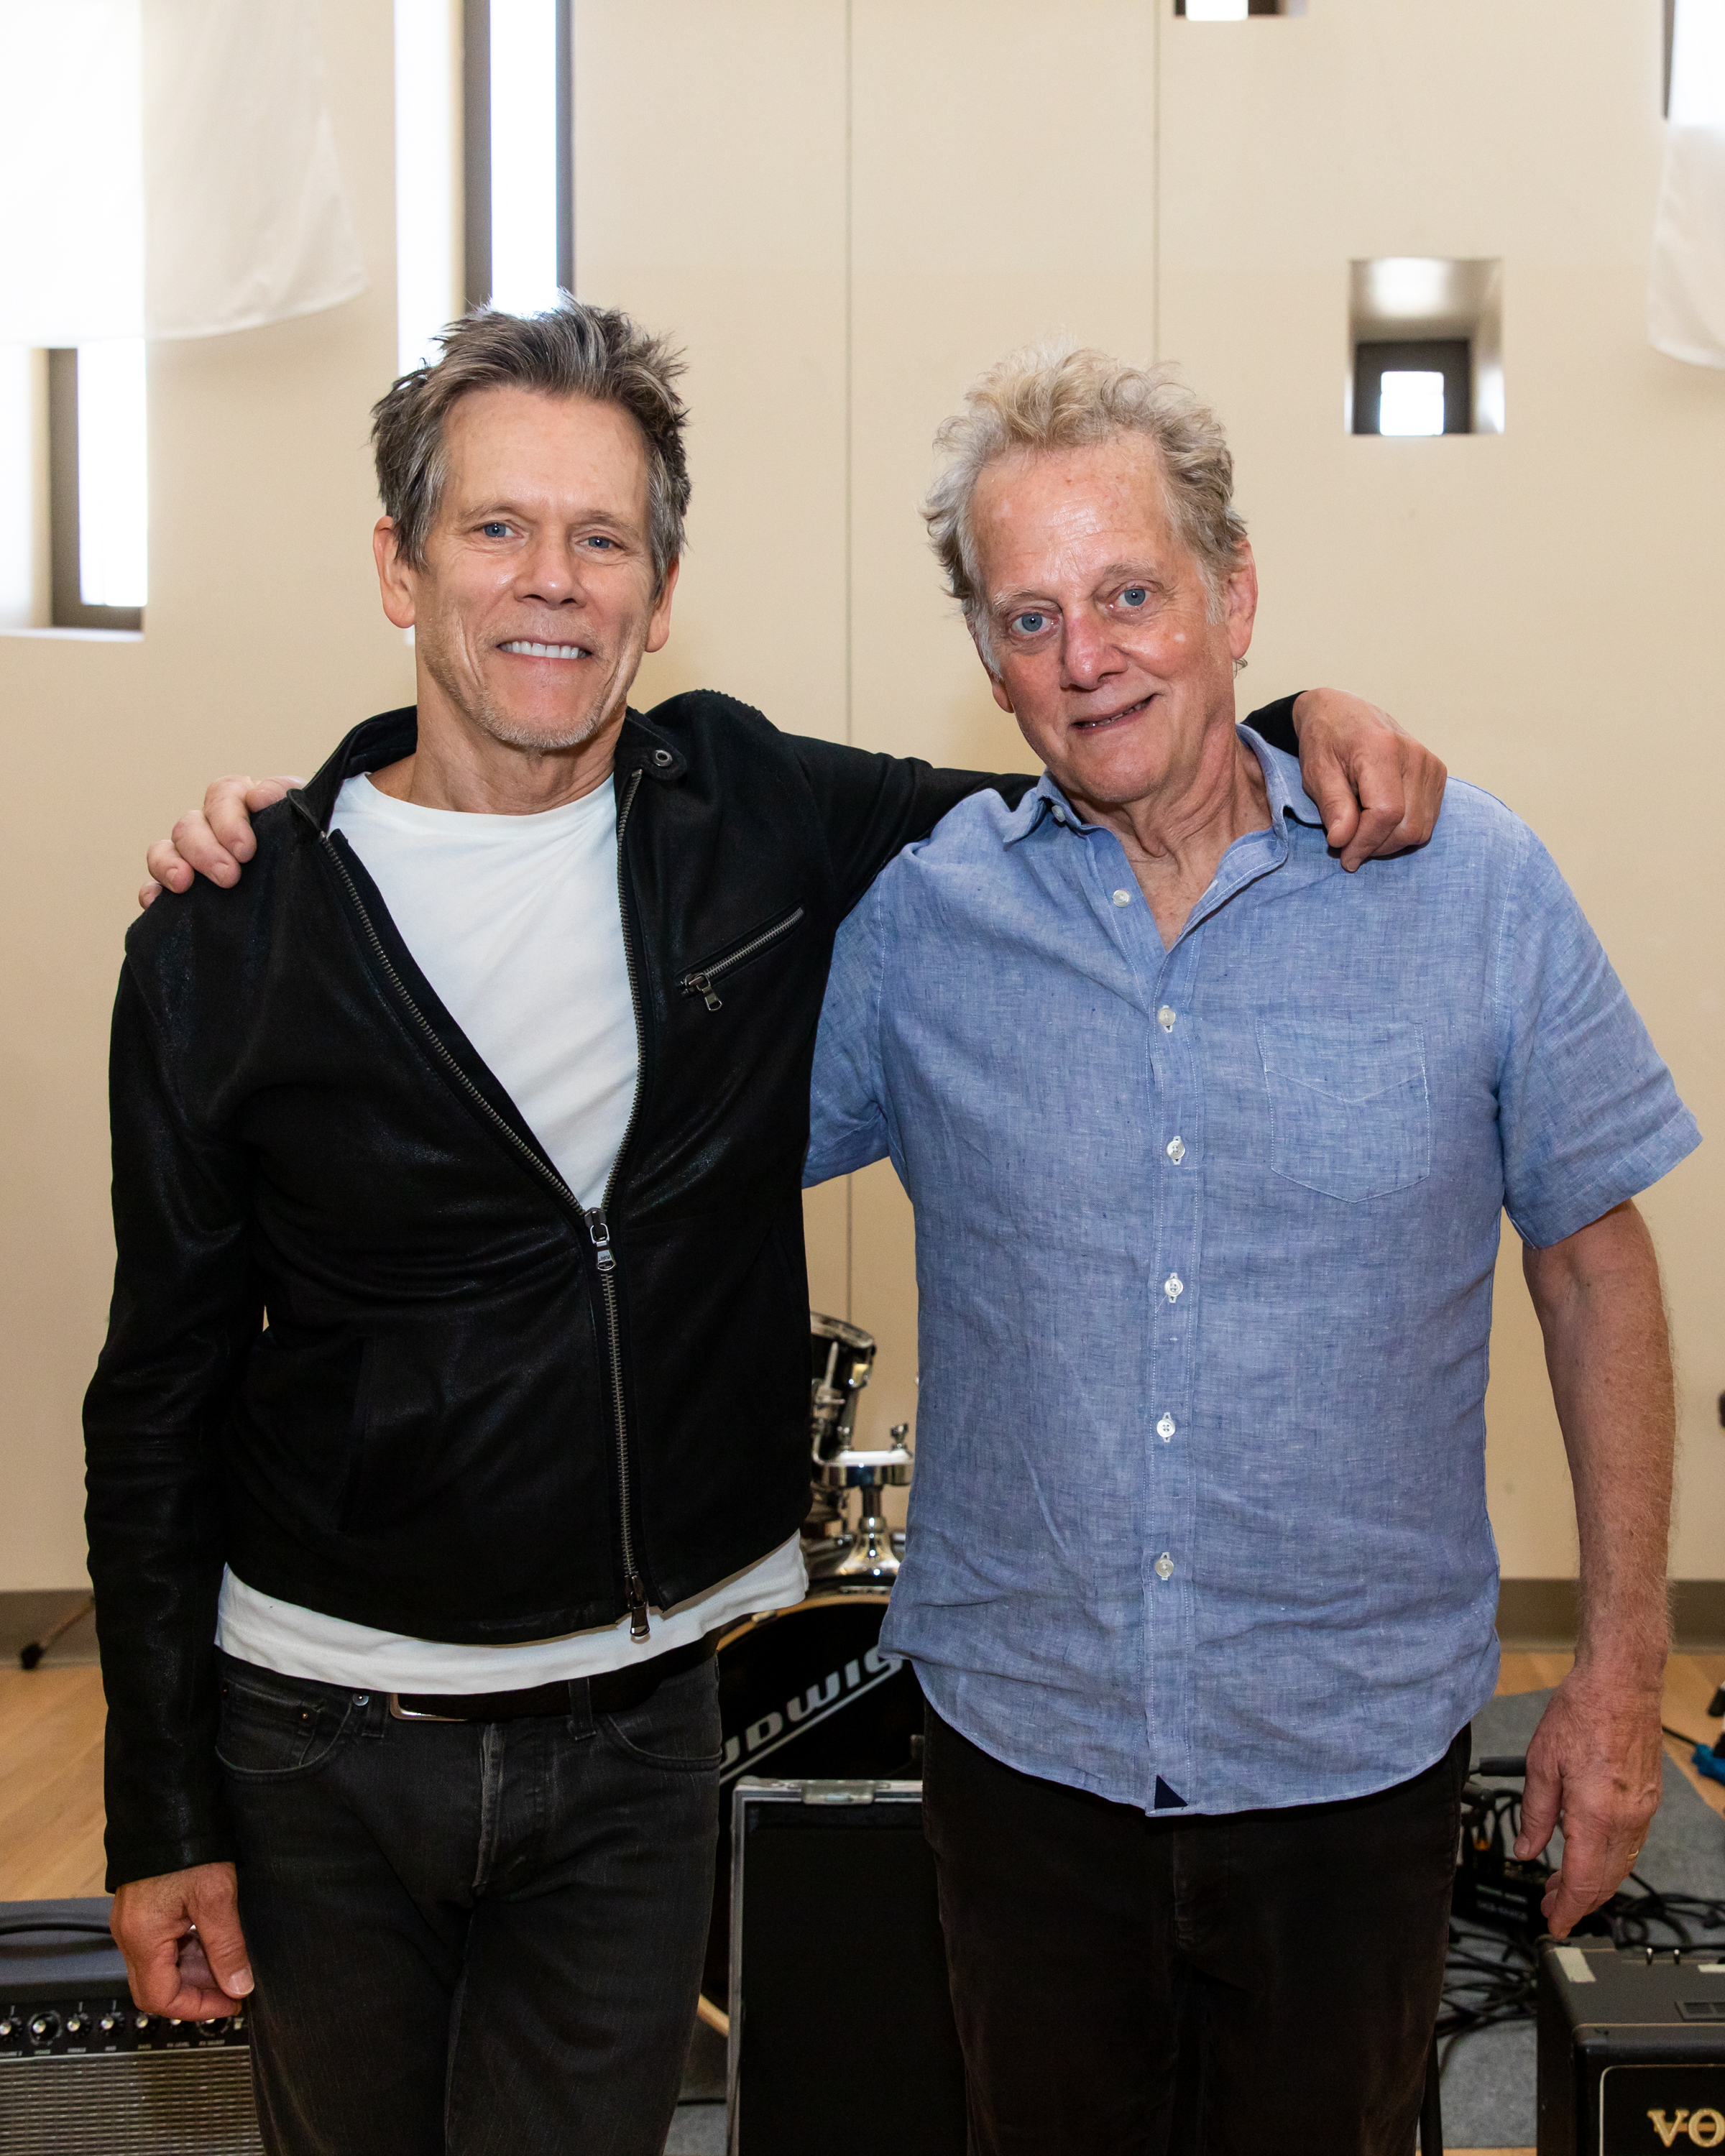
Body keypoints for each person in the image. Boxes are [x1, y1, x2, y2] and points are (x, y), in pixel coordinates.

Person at [98, 299, 1444, 2156]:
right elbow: (153, 1399)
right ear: (399, 568)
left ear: (661, 589)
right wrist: (158, 1808)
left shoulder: (750, 814)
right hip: (326, 1749)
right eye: (495, 529)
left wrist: (1293, 723)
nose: (550, 583)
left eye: (603, 538)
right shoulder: (228, 934)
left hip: (641, 1738)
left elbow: (1082, 782)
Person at [801, 341, 1700, 2154]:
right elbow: (670, 1144)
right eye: (1032, 614)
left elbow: (1599, 1268)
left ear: (1236, 597)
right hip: (1024, 1759)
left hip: (1351, 1768)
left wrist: (1615, 1678)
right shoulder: (924, 921)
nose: (1088, 654)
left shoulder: (1474, 889)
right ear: (988, 658)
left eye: (1131, 592)